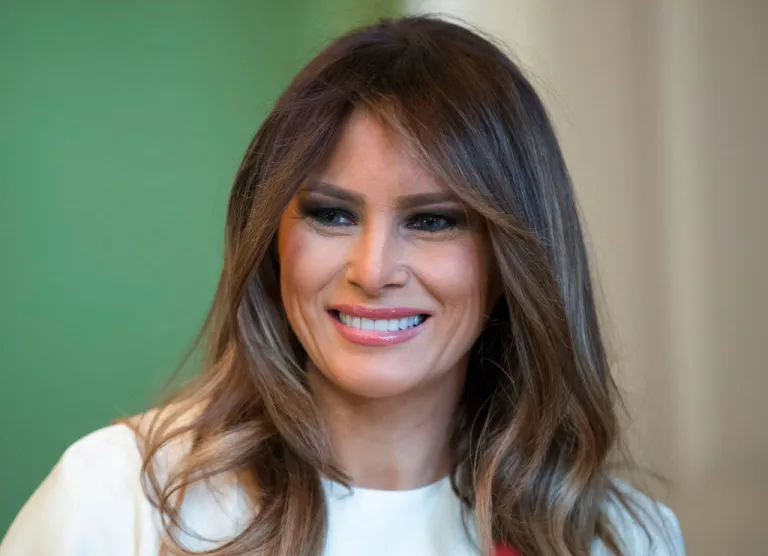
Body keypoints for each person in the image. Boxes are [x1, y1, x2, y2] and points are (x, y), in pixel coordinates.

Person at [0, 16, 685, 556]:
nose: (372, 268)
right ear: (272, 239)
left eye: (434, 220)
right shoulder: (119, 498)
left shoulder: (620, 540)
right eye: (331, 214)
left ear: (515, 258)